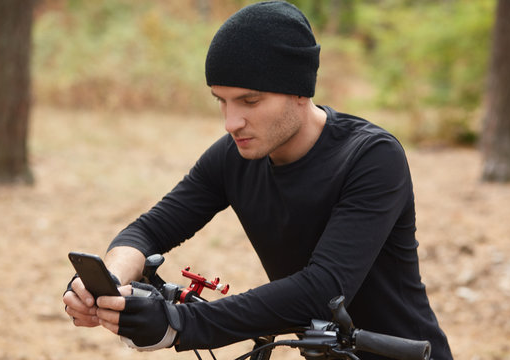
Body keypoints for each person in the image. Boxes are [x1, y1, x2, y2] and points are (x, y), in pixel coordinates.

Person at [63, 1, 453, 359]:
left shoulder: (372, 157)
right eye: (221, 100)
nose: (231, 122)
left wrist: (177, 325)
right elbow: (149, 229)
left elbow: (323, 289)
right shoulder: (234, 155)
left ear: (299, 91)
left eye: (249, 102)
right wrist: (109, 283)